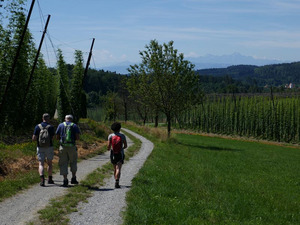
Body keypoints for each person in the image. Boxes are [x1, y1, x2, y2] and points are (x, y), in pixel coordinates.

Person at [56, 115, 81, 187]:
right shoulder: (74, 125)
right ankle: (73, 178)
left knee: (63, 163)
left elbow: (57, 136)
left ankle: (65, 180)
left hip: (63, 147)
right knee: (73, 161)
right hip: (72, 147)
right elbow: (77, 137)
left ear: (65, 119)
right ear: (72, 119)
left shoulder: (61, 125)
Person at [32, 113, 55, 186]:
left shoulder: (37, 126)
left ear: (42, 118)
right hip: (49, 147)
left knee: (41, 163)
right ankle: (50, 179)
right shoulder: (51, 127)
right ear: (49, 119)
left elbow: (34, 138)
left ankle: (42, 179)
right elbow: (53, 137)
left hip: (40, 147)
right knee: (50, 163)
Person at [107, 122, 127, 188]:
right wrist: (122, 148)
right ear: (119, 128)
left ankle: (115, 180)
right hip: (120, 153)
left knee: (114, 168)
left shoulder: (110, 136)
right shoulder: (122, 136)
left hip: (113, 153)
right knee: (118, 168)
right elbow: (125, 146)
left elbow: (108, 147)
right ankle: (117, 182)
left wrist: (109, 149)